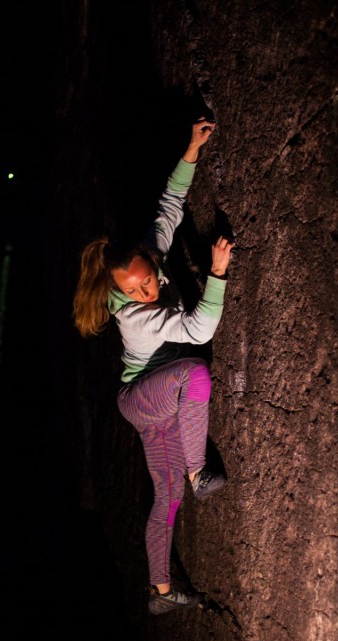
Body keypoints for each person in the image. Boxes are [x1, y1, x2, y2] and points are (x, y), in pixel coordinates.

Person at [73, 117, 234, 615]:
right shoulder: (140, 318)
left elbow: (169, 207)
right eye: (134, 289)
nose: (146, 291)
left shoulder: (151, 252)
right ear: (119, 292)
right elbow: (199, 332)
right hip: (142, 395)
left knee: (164, 503)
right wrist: (217, 275)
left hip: (152, 406)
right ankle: (196, 472)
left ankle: (160, 593)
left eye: (146, 281)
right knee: (196, 373)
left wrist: (191, 148)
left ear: (147, 260)